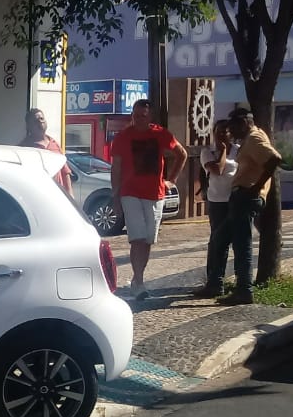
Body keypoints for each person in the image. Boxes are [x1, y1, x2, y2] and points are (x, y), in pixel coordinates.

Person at [109, 99, 188, 299]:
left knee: (148, 240)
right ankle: (139, 282)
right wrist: (116, 197)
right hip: (130, 192)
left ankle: (138, 279)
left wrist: (171, 180)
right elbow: (116, 168)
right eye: (135, 115)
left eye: (143, 116)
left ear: (150, 116)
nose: (138, 119)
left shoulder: (161, 134)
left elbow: (182, 154)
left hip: (154, 193)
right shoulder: (122, 137)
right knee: (137, 238)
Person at [220, 104, 283, 306]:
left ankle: (244, 290)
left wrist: (256, 187)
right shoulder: (253, 137)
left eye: (235, 127)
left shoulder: (255, 138)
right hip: (242, 196)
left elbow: (274, 158)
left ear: (245, 123)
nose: (232, 132)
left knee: (242, 245)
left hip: (246, 197)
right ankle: (219, 284)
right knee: (221, 240)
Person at [192, 121, 240, 298]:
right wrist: (223, 151)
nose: (222, 135)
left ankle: (239, 283)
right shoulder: (208, 152)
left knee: (237, 241)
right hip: (217, 202)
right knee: (217, 241)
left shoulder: (239, 150)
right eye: (218, 132)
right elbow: (218, 170)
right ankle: (214, 282)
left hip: (235, 200)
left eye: (225, 132)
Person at [19, 108, 74, 199]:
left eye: (42, 118)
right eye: (36, 120)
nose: (40, 122)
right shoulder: (24, 148)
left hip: (58, 197)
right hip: (39, 199)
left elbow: (65, 171)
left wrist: (70, 194)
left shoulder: (54, 144)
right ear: (28, 126)